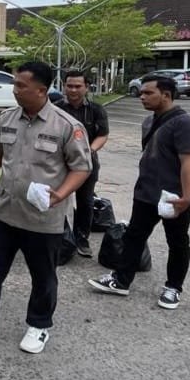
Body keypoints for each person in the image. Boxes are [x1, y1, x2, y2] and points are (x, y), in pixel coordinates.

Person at [0, 61, 91, 354]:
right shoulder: (6, 118)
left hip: (43, 217)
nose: (14, 89)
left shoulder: (66, 126)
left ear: (41, 90)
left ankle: (39, 325)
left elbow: (81, 168)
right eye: (14, 84)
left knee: (42, 275)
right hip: (4, 210)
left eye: (20, 85)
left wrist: (59, 195)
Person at [89, 74, 190, 310]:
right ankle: (121, 280)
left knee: (178, 242)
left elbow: (188, 164)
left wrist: (187, 197)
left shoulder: (185, 124)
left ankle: (173, 287)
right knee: (134, 237)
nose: (142, 97)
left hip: (174, 197)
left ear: (166, 95)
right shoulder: (148, 122)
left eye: (148, 93)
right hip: (146, 193)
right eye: (141, 92)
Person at [53, 70, 109, 258]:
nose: (73, 90)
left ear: (86, 87)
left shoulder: (96, 110)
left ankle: (82, 237)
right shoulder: (55, 108)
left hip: (86, 165)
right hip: (59, 165)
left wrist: (89, 151)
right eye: (69, 86)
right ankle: (59, 237)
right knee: (56, 199)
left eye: (78, 86)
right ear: (64, 86)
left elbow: (102, 135)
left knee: (85, 201)